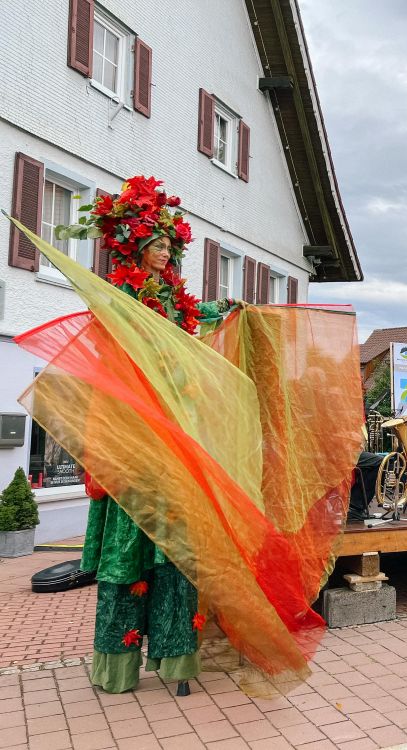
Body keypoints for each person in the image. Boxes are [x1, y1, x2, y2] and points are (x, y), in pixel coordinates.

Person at [75, 177, 229, 694]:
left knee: (177, 550)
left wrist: (232, 310)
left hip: (174, 426)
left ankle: (176, 660)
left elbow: (192, 319)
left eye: (170, 246)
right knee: (128, 549)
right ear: (137, 247)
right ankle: (117, 664)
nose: (165, 253)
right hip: (133, 424)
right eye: (157, 244)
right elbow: (115, 336)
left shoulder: (173, 300)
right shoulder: (119, 293)